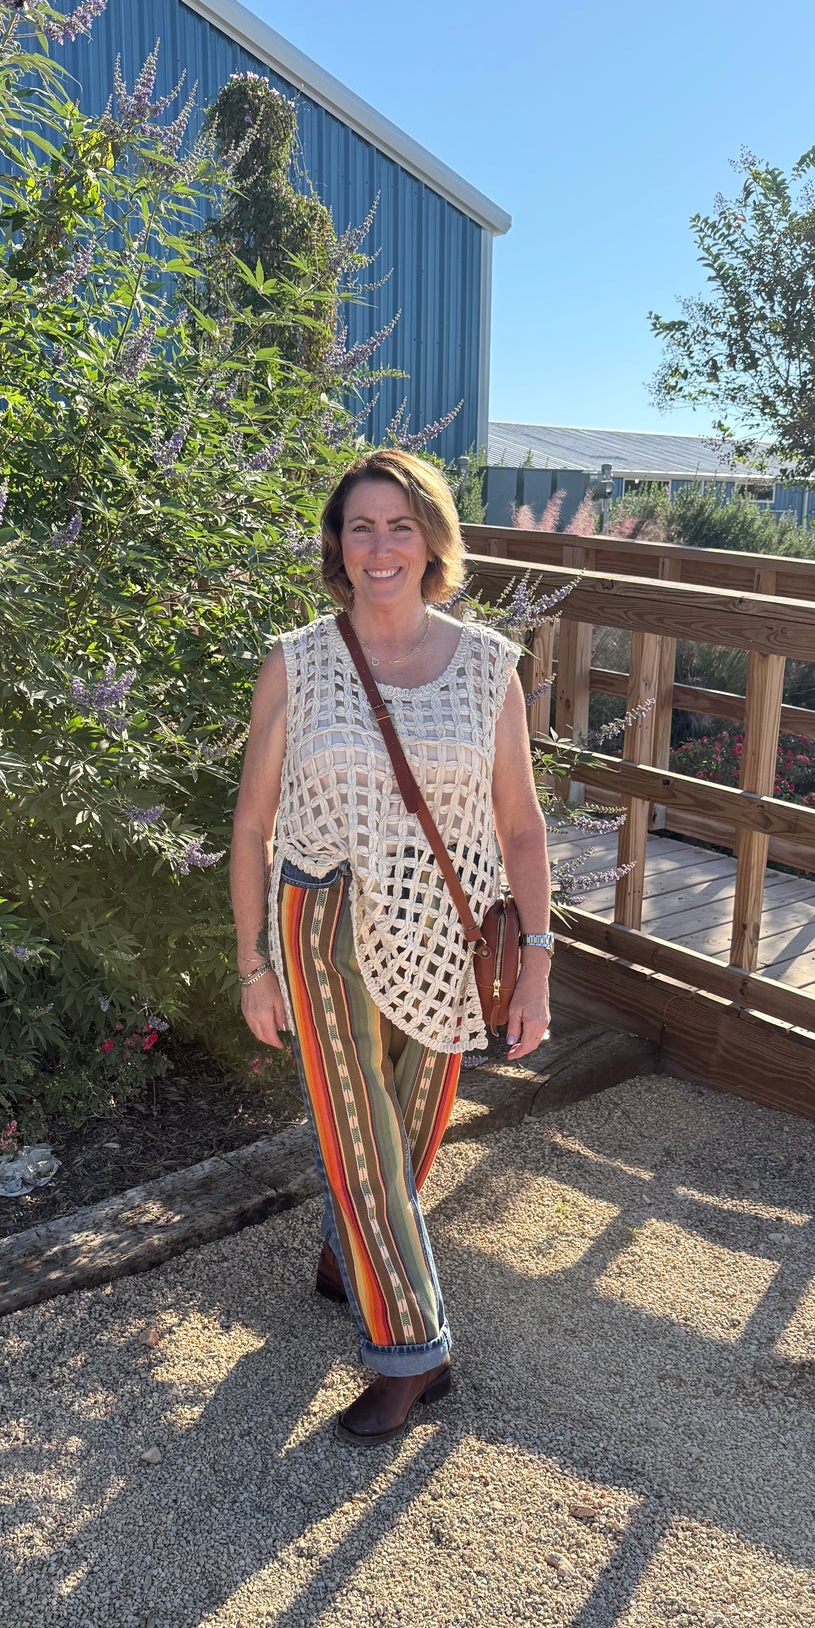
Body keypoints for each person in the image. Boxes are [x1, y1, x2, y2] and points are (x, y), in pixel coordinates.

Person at [229, 448, 553, 1444]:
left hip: (453, 930)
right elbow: (249, 824)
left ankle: (344, 1248)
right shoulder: (299, 660)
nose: (377, 547)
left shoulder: (485, 666)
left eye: (397, 527)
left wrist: (535, 962)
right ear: (339, 545)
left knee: (406, 1128)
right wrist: (251, 961)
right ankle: (415, 1352)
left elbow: (521, 824)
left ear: (430, 543)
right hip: (321, 916)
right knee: (360, 1129)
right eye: (358, 528)